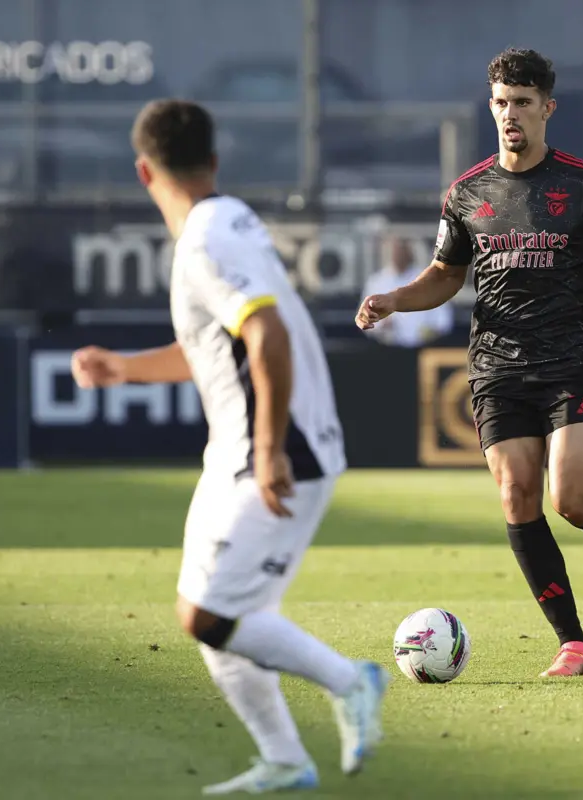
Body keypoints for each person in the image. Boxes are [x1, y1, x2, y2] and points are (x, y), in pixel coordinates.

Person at [71, 99, 389, 795]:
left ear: (143, 172)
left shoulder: (209, 240)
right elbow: (218, 346)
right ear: (212, 162)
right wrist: (124, 367)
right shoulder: (229, 222)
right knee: (214, 607)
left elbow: (267, 336)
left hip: (281, 450)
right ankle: (284, 758)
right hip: (238, 451)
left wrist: (271, 448)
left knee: (210, 614)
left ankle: (351, 681)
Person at [356, 48, 583, 678]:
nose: (510, 114)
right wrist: (393, 301)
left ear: (548, 108)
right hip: (495, 364)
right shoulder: (467, 192)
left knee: (571, 497)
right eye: (500, 102)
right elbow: (445, 276)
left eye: (522, 103)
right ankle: (574, 644)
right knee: (518, 494)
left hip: (572, 356)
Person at [360, 235, 454, 347]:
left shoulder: (428, 280)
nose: (399, 252)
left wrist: (427, 333)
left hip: (422, 351)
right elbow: (364, 320)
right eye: (396, 247)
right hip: (384, 350)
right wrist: (381, 326)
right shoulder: (376, 282)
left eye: (403, 247)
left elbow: (443, 322)